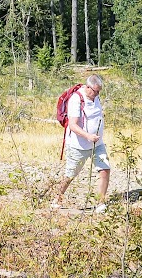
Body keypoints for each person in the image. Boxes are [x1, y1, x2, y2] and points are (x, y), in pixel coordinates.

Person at [51, 73, 110, 209]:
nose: (97, 94)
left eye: (99, 91)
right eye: (96, 91)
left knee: (105, 170)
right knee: (70, 174)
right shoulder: (76, 99)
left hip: (97, 144)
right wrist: (88, 136)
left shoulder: (96, 97)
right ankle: (57, 198)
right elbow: (73, 125)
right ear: (88, 87)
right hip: (79, 145)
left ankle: (100, 203)